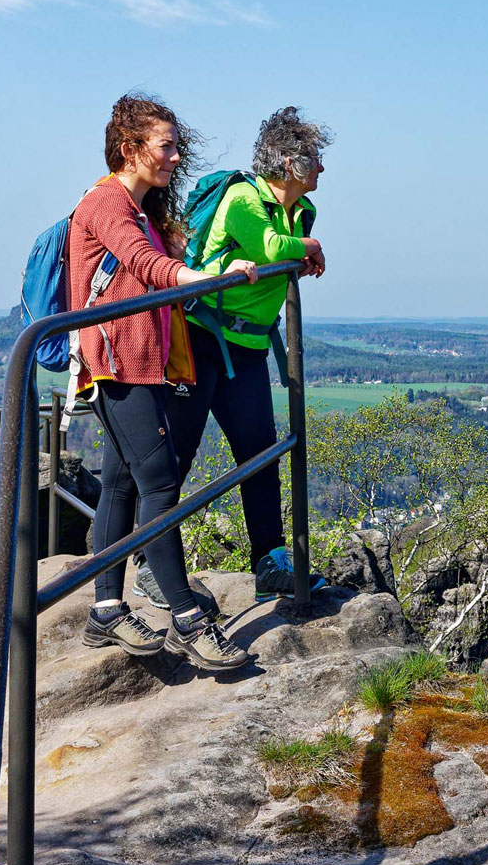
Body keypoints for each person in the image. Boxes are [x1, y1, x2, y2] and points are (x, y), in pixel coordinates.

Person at [72, 93, 257, 672]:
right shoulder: (107, 204)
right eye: (166, 146)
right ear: (130, 149)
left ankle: (105, 610)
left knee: (122, 483)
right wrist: (194, 275)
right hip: (114, 363)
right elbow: (146, 266)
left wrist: (214, 267)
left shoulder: (144, 211)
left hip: (139, 363)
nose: (177, 157)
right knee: (160, 483)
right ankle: (187, 620)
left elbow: (166, 257)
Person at [157, 106, 331, 606]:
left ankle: (270, 561)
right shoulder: (243, 197)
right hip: (202, 338)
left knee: (261, 453)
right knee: (177, 456)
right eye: (314, 159)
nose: (322, 169)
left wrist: (304, 243)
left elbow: (283, 248)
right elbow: (276, 248)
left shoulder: (302, 211)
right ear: (290, 163)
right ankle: (151, 560)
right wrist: (310, 246)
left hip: (250, 346)